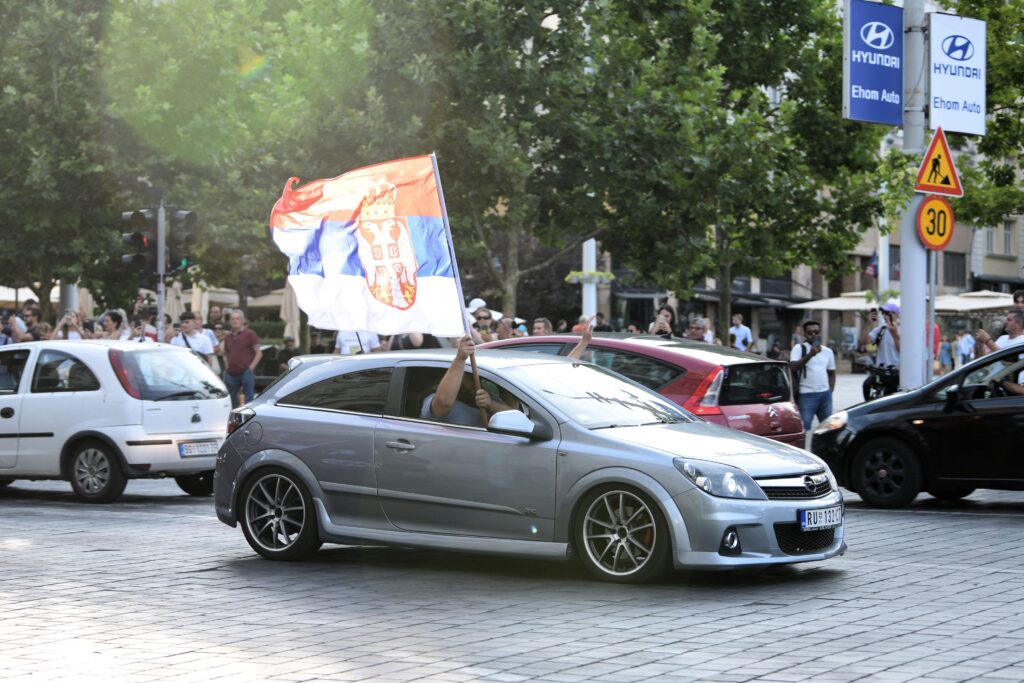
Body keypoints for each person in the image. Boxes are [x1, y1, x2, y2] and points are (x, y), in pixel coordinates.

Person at [421, 336, 514, 427]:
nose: (476, 379)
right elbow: (443, 403)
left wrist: (491, 405)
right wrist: (460, 359)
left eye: (479, 375)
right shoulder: (433, 399)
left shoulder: (483, 396)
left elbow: (514, 416)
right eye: (469, 374)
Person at [789, 320, 836, 431]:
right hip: (806, 396)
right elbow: (792, 368)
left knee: (827, 429)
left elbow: (832, 372)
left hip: (825, 396)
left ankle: (824, 448)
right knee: (804, 429)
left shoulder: (828, 351)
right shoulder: (799, 348)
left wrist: (830, 390)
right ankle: (803, 449)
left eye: (816, 332)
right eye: (810, 332)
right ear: (805, 334)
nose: (813, 335)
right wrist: (810, 355)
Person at [221, 309, 262, 407]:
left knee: (249, 401)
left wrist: (250, 368)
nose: (235, 321)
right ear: (230, 321)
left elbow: (259, 353)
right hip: (231, 373)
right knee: (230, 401)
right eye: (233, 319)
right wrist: (227, 367)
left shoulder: (250, 334)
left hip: (246, 372)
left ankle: (248, 421)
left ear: (242, 320)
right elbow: (226, 353)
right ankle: (233, 420)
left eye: (238, 318)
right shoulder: (228, 337)